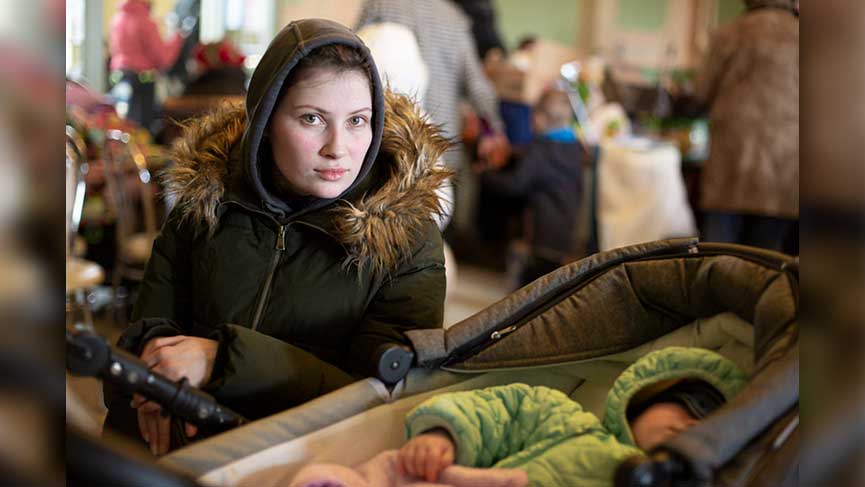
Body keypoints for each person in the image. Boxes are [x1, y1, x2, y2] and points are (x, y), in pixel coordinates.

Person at [103, 18, 452, 456]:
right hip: (176, 443)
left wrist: (221, 360)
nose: (338, 147)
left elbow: (379, 400)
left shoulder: (406, 240)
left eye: (358, 121)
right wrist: (151, 377)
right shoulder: (207, 200)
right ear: (266, 119)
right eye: (311, 119)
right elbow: (148, 322)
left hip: (302, 461)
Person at [281, 347, 746, 487]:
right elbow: (498, 411)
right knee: (400, 469)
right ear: (646, 395)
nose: (691, 425)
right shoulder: (569, 421)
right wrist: (445, 434)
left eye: (709, 430)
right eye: (689, 406)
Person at [695, 0, 799, 253]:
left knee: (718, 255)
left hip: (730, 162)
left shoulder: (729, 34)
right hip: (784, 166)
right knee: (766, 262)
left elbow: (701, 93)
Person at [479, 89, 587, 287]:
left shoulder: (541, 149)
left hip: (541, 235)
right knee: (549, 288)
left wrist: (485, 175)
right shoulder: (575, 149)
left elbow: (515, 184)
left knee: (526, 291)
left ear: (538, 118)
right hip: (566, 235)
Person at [108, 0, 186, 133]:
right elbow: (163, 59)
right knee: (143, 132)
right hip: (142, 81)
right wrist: (178, 38)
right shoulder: (146, 22)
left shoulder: (117, 19)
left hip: (119, 77)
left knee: (124, 127)